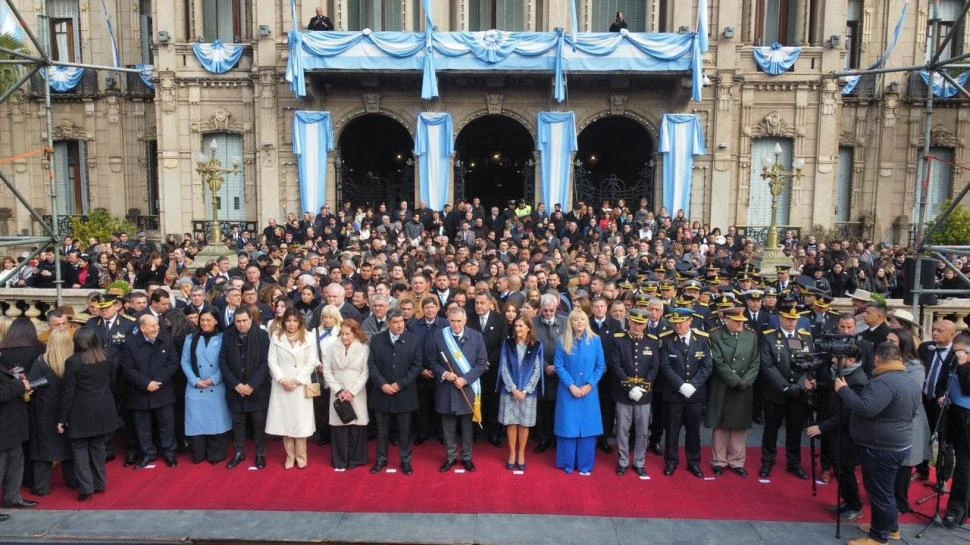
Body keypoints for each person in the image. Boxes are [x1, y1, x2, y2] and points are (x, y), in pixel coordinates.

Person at [836, 342, 920, 545]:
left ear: (877, 359)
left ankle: (878, 536)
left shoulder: (884, 382)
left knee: (880, 492)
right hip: (896, 443)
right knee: (885, 490)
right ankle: (889, 527)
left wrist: (844, 390)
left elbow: (866, 408)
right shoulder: (908, 379)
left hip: (881, 447)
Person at [806, 345, 868, 522]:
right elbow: (834, 387)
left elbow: (847, 412)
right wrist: (818, 385)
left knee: (845, 469)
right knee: (839, 467)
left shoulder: (857, 380)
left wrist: (822, 427)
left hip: (847, 433)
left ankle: (855, 505)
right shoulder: (845, 374)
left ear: (851, 361)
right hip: (838, 430)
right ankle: (848, 501)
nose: (833, 360)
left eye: (837, 358)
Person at [57, 328, 119, 501]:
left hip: (81, 412)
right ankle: (100, 484)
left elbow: (68, 393)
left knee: (80, 450)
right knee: (98, 447)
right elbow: (111, 384)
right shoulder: (106, 358)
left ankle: (86, 488)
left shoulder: (73, 362)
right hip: (103, 409)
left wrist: (62, 418)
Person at [758, 304, 815, 480]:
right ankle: (767, 461)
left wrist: (797, 386)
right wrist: (785, 387)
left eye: (795, 319)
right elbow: (767, 365)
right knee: (771, 429)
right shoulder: (769, 337)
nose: (791, 322)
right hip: (776, 392)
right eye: (788, 319)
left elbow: (809, 364)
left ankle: (794, 463)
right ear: (781, 318)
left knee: (795, 429)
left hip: (797, 393)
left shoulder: (805, 337)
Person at [430, 306, 488, 473]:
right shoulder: (439, 336)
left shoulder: (476, 337)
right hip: (447, 389)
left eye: (459, 321)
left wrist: (466, 379)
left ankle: (468, 457)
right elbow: (432, 361)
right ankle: (451, 457)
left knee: (467, 427)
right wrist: (444, 373)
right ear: (448, 320)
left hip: (467, 389)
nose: (455, 325)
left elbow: (481, 363)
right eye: (452, 321)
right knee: (448, 426)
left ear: (465, 321)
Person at [120, 314, 180, 469]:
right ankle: (147, 453)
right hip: (140, 392)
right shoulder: (129, 343)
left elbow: (173, 363)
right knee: (142, 428)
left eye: (157, 325)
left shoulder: (166, 340)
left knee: (167, 425)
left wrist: (158, 381)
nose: (156, 328)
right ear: (142, 328)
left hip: (163, 390)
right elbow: (127, 369)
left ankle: (169, 453)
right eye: (152, 325)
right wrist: (146, 383)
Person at [368, 309, 423, 475]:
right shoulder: (377, 340)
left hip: (404, 394)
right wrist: (383, 384)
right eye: (396, 322)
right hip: (381, 393)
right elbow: (372, 365)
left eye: (402, 322)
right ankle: (381, 459)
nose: (400, 325)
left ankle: (405, 460)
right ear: (388, 323)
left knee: (405, 431)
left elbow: (416, 366)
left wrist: (400, 384)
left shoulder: (414, 340)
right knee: (382, 431)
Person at [705, 307, 759, 478]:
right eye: (736, 321)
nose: (740, 324)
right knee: (720, 425)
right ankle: (719, 461)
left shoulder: (751, 335)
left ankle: (737, 461)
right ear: (726, 320)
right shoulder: (715, 335)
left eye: (742, 321)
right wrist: (735, 381)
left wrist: (746, 381)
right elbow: (718, 361)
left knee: (739, 425)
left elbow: (755, 362)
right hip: (723, 385)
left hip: (744, 386)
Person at [658, 308, 712, 478]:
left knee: (694, 430)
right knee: (672, 430)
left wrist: (693, 385)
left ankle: (694, 462)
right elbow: (665, 366)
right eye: (675, 323)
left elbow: (707, 366)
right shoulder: (667, 340)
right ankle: (671, 461)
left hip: (695, 394)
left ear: (690, 321)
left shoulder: (702, 339)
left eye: (681, 322)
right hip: (674, 394)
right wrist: (681, 385)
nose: (678, 326)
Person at [554, 308, 605, 475]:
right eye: (576, 320)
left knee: (588, 430)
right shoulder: (562, 340)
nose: (579, 323)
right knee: (568, 428)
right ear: (570, 323)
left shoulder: (595, 341)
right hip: (568, 392)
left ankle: (585, 465)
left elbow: (600, 366)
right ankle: (567, 464)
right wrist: (571, 386)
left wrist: (589, 385)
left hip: (589, 393)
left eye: (582, 319)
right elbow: (559, 366)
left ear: (586, 321)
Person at [609, 310, 659, 478]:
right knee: (623, 430)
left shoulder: (652, 341)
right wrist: (630, 387)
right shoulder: (618, 340)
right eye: (635, 323)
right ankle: (623, 461)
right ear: (629, 322)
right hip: (624, 393)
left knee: (643, 431)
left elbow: (654, 367)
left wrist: (642, 388)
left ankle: (639, 462)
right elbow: (616, 366)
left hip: (644, 395)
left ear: (645, 324)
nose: (638, 326)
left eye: (641, 324)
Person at [886, 327, 931, 514]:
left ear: (903, 345)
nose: (887, 344)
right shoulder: (885, 361)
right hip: (890, 419)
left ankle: (899, 503)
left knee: (904, 465)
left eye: (892, 342)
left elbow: (911, 396)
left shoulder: (915, 367)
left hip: (909, 420)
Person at [266, 308, 317, 469]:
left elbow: (311, 362)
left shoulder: (309, 337)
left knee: (301, 422)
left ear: (300, 322)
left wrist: (296, 380)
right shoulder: (276, 336)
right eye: (288, 320)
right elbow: (272, 361)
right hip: (282, 385)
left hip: (300, 385)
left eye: (295, 321)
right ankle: (290, 456)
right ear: (284, 321)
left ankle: (302, 456)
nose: (292, 324)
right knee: (285, 421)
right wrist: (282, 379)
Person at [220, 307, 271, 470]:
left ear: (251, 320)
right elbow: (223, 362)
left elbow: (265, 363)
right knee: (238, 422)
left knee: (258, 422)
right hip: (235, 388)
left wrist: (251, 385)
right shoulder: (227, 335)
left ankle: (260, 453)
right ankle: (239, 451)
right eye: (238, 321)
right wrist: (236, 385)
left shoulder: (262, 335)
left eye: (244, 321)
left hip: (257, 389)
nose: (241, 324)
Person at [27, 328, 76, 496]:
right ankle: (74, 481)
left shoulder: (41, 362)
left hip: (45, 412)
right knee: (70, 450)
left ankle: (41, 487)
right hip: (69, 411)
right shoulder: (75, 362)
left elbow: (32, 386)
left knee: (43, 452)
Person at [180, 308, 231, 464]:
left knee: (216, 422)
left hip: (216, 387)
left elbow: (226, 362)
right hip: (195, 387)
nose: (205, 323)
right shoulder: (190, 338)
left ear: (216, 321)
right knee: (197, 422)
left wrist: (213, 379)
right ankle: (199, 454)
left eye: (208, 320)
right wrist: (195, 380)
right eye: (202, 320)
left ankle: (216, 454)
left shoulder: (223, 338)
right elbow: (185, 361)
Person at [321, 320, 370, 470]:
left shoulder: (364, 348)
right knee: (339, 427)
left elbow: (365, 372)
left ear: (355, 333)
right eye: (342, 333)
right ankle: (340, 460)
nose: (344, 337)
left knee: (356, 425)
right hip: (338, 392)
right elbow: (327, 371)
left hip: (357, 393)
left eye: (348, 333)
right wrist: (338, 390)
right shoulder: (331, 347)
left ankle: (356, 459)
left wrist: (353, 392)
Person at [497, 316, 544, 472]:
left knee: (524, 424)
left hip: (528, 393)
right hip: (510, 391)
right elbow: (503, 368)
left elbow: (537, 371)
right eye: (516, 326)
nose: (518, 329)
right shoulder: (508, 343)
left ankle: (521, 453)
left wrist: (525, 390)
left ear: (528, 328)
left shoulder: (536, 345)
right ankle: (511, 453)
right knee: (511, 423)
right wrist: (513, 389)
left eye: (521, 326)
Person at [0, 352, 38, 515]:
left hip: (10, 425)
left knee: (16, 463)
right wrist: (20, 385)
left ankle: (13, 497)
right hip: (3, 426)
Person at [943, 332, 970, 528]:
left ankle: (958, 509)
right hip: (956, 417)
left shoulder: (965, 365)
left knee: (964, 467)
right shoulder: (955, 362)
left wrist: (964, 365)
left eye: (959, 351)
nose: (956, 355)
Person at [533, 294, 566, 453]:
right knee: (542, 408)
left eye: (551, 310)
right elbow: (531, 348)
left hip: (561, 374)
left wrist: (558, 367)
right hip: (540, 372)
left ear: (556, 309)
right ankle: (543, 439)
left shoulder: (566, 322)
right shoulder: (533, 323)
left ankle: (557, 438)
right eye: (544, 310)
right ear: (540, 309)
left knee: (558, 407)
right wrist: (545, 366)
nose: (547, 313)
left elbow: (570, 347)